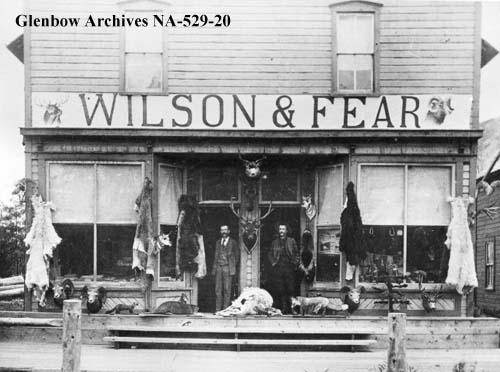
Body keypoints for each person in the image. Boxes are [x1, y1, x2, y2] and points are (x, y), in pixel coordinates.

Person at [267, 224, 300, 314]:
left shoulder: (291, 241)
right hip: (278, 268)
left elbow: (297, 254)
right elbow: (269, 254)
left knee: (290, 289)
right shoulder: (274, 242)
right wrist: (273, 263)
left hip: (289, 268)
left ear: (286, 231)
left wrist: (295, 263)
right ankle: (283, 308)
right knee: (280, 289)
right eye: (280, 229)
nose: (281, 231)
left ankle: (292, 308)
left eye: (283, 229)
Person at [212, 225, 239, 311]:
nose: (224, 232)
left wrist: (231, 265)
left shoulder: (233, 242)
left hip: (228, 268)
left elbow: (237, 256)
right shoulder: (218, 242)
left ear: (229, 231)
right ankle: (217, 310)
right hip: (218, 267)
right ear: (220, 232)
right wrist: (214, 268)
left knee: (227, 289)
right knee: (217, 290)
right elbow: (215, 256)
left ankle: (225, 310)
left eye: (225, 230)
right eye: (222, 230)